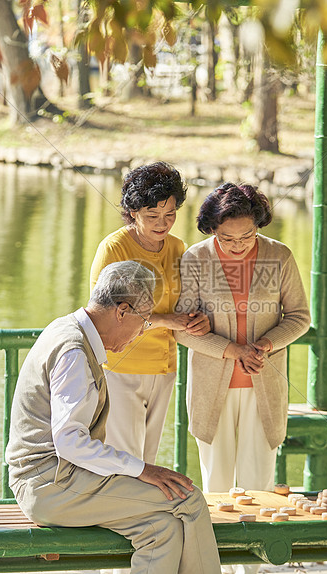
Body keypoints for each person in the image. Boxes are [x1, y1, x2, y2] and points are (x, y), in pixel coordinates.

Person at [6, 261, 221, 574]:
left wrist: (137, 472)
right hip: (51, 486)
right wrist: (142, 470)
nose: (140, 333)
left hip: (47, 482)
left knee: (162, 528)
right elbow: (69, 442)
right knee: (188, 499)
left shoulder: (66, 327)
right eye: (144, 321)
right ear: (122, 311)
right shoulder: (75, 353)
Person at [175, 182, 311, 496]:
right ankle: (220, 546)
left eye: (247, 236)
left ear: (258, 225)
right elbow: (182, 329)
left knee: (260, 486)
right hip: (212, 387)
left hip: (264, 383)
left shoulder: (279, 256)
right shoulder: (196, 259)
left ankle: (259, 544)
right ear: (212, 230)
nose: (238, 245)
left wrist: (265, 344)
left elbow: (299, 316)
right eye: (227, 238)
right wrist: (234, 350)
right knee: (217, 489)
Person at [89, 161, 210, 467]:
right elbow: (107, 315)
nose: (162, 223)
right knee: (125, 461)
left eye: (170, 214)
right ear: (132, 212)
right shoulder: (113, 249)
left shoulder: (178, 248)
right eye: (152, 215)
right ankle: (118, 515)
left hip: (164, 367)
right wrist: (167, 320)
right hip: (121, 367)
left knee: (148, 458)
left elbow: (185, 303)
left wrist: (199, 319)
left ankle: (139, 515)